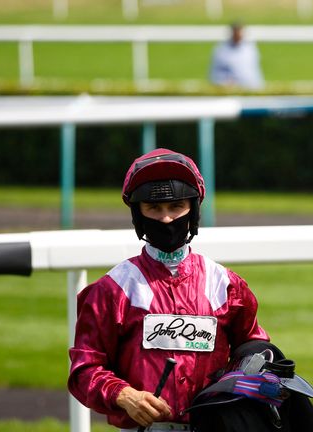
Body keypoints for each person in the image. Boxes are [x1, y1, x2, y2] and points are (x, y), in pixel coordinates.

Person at [67, 148, 278, 431]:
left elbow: (257, 354)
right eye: (154, 208)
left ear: (193, 210)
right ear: (138, 214)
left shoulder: (227, 286)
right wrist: (124, 395)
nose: (166, 219)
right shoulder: (113, 290)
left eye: (176, 206)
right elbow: (84, 369)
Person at [209, 22, 265, 90]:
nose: (239, 34)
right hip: (231, 90)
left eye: (240, 31)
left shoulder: (250, 48)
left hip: (252, 88)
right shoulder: (221, 50)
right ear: (232, 32)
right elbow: (215, 74)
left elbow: (255, 71)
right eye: (237, 31)